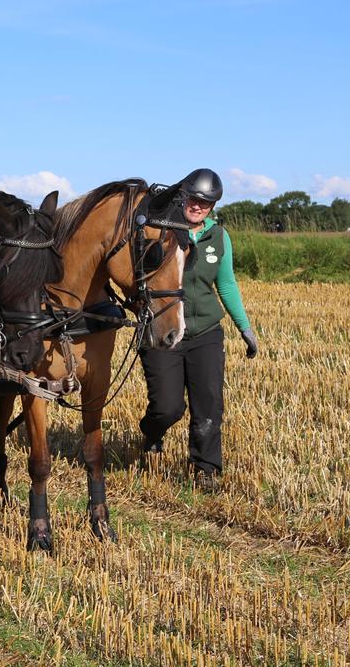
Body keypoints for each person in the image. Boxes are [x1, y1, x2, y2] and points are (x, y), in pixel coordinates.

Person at [139, 168, 259, 492]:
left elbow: (227, 284)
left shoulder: (218, 238)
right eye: (194, 199)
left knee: (208, 407)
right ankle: (152, 432)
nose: (198, 206)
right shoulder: (160, 230)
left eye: (206, 203)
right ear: (183, 197)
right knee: (168, 407)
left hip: (205, 331)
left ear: (213, 207)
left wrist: (244, 329)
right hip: (162, 333)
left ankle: (205, 470)